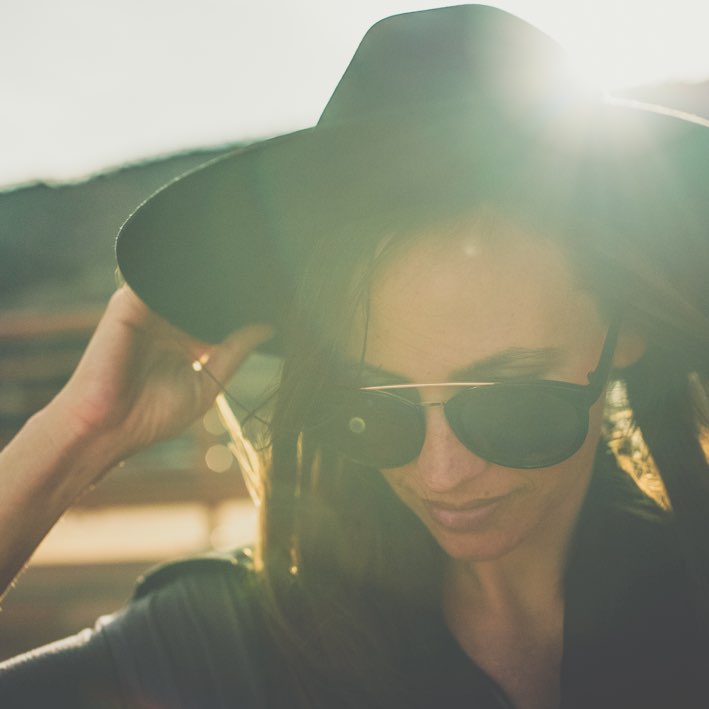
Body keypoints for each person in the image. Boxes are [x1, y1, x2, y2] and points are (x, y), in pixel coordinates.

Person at [1, 4, 709, 708]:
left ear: (626, 327)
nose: (443, 473)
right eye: (375, 405)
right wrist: (74, 436)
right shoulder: (228, 646)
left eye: (510, 400)